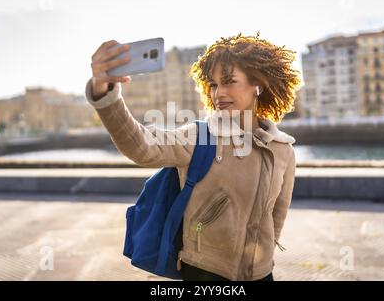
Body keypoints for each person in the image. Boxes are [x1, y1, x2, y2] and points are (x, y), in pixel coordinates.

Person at [85, 32, 301, 281]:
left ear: (258, 85)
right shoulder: (200, 136)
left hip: (263, 275)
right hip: (203, 273)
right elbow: (142, 146)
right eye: (213, 84)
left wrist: (262, 259)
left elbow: (276, 217)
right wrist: (105, 93)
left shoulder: (283, 149)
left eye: (229, 81)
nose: (218, 93)